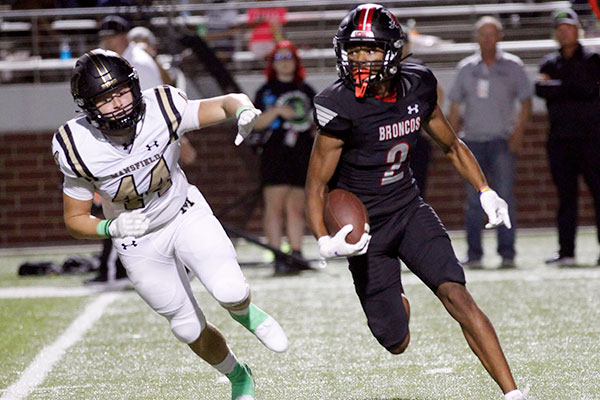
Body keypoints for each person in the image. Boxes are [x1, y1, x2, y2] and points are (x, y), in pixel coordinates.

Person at [305, 5, 526, 400]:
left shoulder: (417, 83)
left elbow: (452, 145)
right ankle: (397, 304)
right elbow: (316, 186)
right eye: (354, 50)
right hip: (365, 229)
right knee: (395, 341)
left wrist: (485, 191)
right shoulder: (338, 104)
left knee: (457, 295)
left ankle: (514, 394)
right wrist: (325, 240)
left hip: (408, 210)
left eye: (370, 50)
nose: (359, 59)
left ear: (392, 51)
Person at [52, 49, 289, 400]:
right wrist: (109, 228)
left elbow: (227, 102)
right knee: (185, 326)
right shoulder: (75, 145)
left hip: (183, 212)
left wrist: (241, 110)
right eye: (105, 99)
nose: (117, 104)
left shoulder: (162, 107)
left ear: (134, 87)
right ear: (88, 106)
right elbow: (74, 219)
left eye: (121, 92)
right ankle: (239, 376)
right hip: (137, 240)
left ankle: (246, 315)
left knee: (230, 291)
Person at [448, 16, 532, 269]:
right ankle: (475, 254)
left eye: (492, 33)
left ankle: (507, 253)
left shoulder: (513, 66)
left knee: (505, 197)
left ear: (500, 37)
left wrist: (518, 133)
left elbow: (526, 101)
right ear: (476, 37)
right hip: (471, 143)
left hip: (502, 142)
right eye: (482, 34)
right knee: (474, 201)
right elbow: (453, 105)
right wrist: (451, 140)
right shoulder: (466, 68)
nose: (487, 38)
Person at [535, 9, 600, 266]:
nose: (564, 32)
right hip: (560, 141)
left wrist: (559, 86)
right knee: (566, 198)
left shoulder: (593, 60)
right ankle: (566, 252)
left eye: (568, 27)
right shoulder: (549, 63)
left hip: (592, 140)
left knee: (598, 194)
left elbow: (588, 89)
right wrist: (570, 85)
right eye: (559, 28)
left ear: (578, 30)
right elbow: (540, 89)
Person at [251, 40, 316, 275]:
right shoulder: (265, 91)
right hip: (274, 152)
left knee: (296, 207)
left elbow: (316, 121)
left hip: (301, 152)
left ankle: (296, 252)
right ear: (272, 63)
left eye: (289, 57)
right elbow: (255, 124)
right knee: (275, 206)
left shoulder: (306, 90)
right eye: (279, 58)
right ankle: (277, 254)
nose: (285, 62)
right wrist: (277, 112)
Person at [98, 15, 163, 90]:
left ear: (125, 37)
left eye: (112, 37)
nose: (107, 42)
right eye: (104, 38)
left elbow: (151, 98)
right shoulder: (119, 60)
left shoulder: (139, 63)